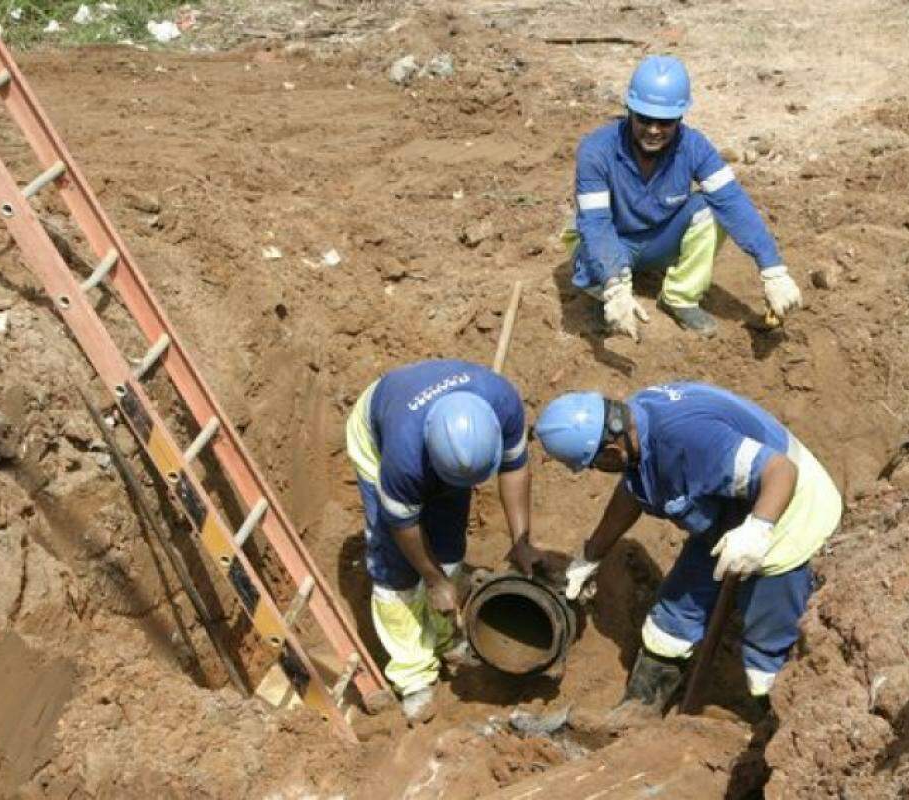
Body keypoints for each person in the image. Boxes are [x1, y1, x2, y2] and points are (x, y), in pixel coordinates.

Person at [533, 382, 841, 715]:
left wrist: (757, 530)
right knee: (673, 617)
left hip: (786, 511)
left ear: (611, 453)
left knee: (767, 646)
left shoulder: (688, 438)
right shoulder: (634, 428)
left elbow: (780, 470)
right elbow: (634, 490)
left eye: (594, 465)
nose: (597, 472)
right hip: (727, 510)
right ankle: (640, 708)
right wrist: (590, 555)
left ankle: (768, 724)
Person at [346, 359, 542, 722]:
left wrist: (522, 540)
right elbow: (402, 524)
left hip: (440, 448)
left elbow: (515, 468)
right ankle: (412, 673)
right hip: (375, 435)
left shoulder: (502, 404)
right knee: (397, 571)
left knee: (448, 546)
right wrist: (433, 579)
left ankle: (444, 637)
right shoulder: (402, 459)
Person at [563, 54, 802, 340]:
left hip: (660, 240)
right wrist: (614, 285)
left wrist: (773, 270)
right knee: (588, 258)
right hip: (612, 239)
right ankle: (610, 296)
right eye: (644, 119)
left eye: (665, 122)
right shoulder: (596, 150)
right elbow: (597, 224)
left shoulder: (694, 147)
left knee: (712, 208)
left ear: (680, 117)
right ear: (629, 110)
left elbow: (733, 202)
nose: (653, 130)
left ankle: (680, 297)